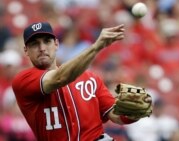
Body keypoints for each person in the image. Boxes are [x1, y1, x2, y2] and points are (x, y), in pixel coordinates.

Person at [12, 22, 150, 141]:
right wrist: (96, 47)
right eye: (35, 44)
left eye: (47, 41)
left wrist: (133, 114)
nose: (42, 48)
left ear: (56, 44)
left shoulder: (89, 78)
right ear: (26, 51)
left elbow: (116, 116)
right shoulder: (23, 80)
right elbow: (60, 77)